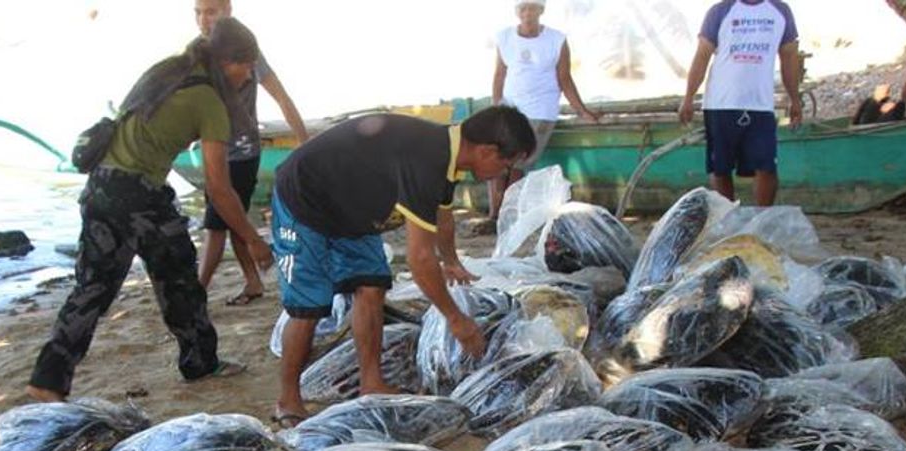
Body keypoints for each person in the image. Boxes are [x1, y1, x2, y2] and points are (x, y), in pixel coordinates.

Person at [26, 18, 273, 402]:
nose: (249, 76)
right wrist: (254, 240)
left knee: (92, 287)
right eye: (247, 66)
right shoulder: (209, 100)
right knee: (178, 277)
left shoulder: (167, 72)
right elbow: (220, 189)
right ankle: (200, 363)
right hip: (138, 194)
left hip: (101, 186)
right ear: (229, 62)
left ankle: (48, 380)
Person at [271, 105, 537, 426]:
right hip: (305, 199)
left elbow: (443, 215)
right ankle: (288, 401)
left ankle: (372, 383)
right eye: (505, 164)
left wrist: (451, 260)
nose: (503, 173)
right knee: (309, 306)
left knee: (372, 286)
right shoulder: (427, 158)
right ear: (486, 150)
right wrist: (456, 319)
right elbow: (420, 258)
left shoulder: (447, 154)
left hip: (353, 209)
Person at [193, 0, 307, 306]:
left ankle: (196, 294)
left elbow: (281, 97)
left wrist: (304, 143)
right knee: (231, 221)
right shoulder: (196, 54)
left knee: (216, 227)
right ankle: (253, 282)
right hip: (211, 149)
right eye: (198, 12)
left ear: (228, 10)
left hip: (241, 153)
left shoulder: (244, 49)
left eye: (211, 11)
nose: (204, 19)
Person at [678, 0, 803, 206]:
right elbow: (702, 56)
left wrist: (794, 99)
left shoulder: (780, 12)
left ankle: (762, 219)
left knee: (766, 167)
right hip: (721, 103)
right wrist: (689, 97)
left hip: (760, 105)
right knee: (721, 169)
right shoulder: (719, 12)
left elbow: (789, 57)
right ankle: (728, 221)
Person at [487, 0, 601, 223]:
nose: (527, 14)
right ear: (517, 12)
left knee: (519, 161)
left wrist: (582, 111)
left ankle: (506, 215)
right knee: (496, 158)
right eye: (523, 9)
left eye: (532, 8)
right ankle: (494, 213)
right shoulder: (504, 37)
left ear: (541, 10)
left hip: (540, 110)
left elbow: (565, 79)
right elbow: (499, 75)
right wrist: (496, 107)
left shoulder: (556, 40)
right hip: (509, 108)